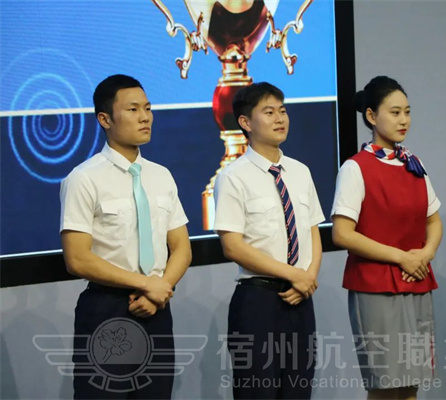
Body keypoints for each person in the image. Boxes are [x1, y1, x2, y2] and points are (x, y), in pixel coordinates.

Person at [60, 74, 192, 399]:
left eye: (147, 108)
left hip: (157, 307)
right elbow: (77, 258)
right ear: (105, 119)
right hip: (107, 310)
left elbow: (181, 248)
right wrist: (146, 284)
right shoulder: (84, 179)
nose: (145, 117)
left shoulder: (161, 176)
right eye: (133, 110)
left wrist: (159, 289)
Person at [331, 76, 443, 400]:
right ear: (371, 116)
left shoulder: (414, 165)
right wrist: (402, 257)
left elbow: (434, 221)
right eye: (395, 112)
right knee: (385, 384)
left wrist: (426, 254)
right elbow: (342, 234)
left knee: (411, 384)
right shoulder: (356, 168)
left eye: (407, 112)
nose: (403, 120)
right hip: (376, 285)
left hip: (416, 278)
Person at [213, 82, 325, 399]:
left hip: (301, 299)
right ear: (245, 122)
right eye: (269, 112)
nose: (279, 118)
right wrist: (294, 275)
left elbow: (313, 232)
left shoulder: (300, 172)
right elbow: (232, 246)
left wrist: (308, 278)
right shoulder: (233, 176)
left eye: (282, 111)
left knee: (298, 391)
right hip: (258, 301)